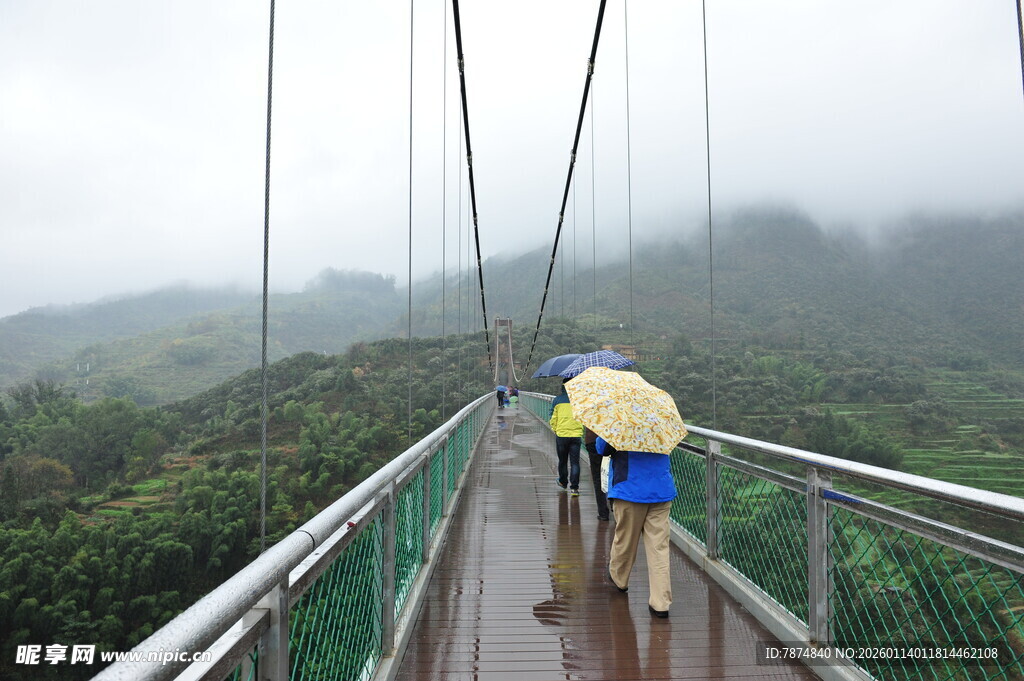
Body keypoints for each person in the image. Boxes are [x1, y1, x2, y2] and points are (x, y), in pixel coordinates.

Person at [598, 436, 676, 618]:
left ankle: (619, 579)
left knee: (625, 540)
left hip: (629, 490)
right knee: (659, 549)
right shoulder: (661, 419)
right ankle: (661, 603)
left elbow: (603, 449)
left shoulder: (621, 419)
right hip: (660, 490)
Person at [548, 379, 582, 496]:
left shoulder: (557, 400)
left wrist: (555, 429)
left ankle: (563, 482)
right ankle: (574, 488)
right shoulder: (579, 400)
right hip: (576, 435)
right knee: (575, 463)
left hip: (562, 435)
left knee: (562, 461)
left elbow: (553, 417)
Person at [583, 427, 610, 521]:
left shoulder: (591, 412)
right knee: (612, 475)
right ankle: (615, 507)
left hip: (592, 440)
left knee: (597, 478)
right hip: (610, 442)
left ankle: (603, 513)